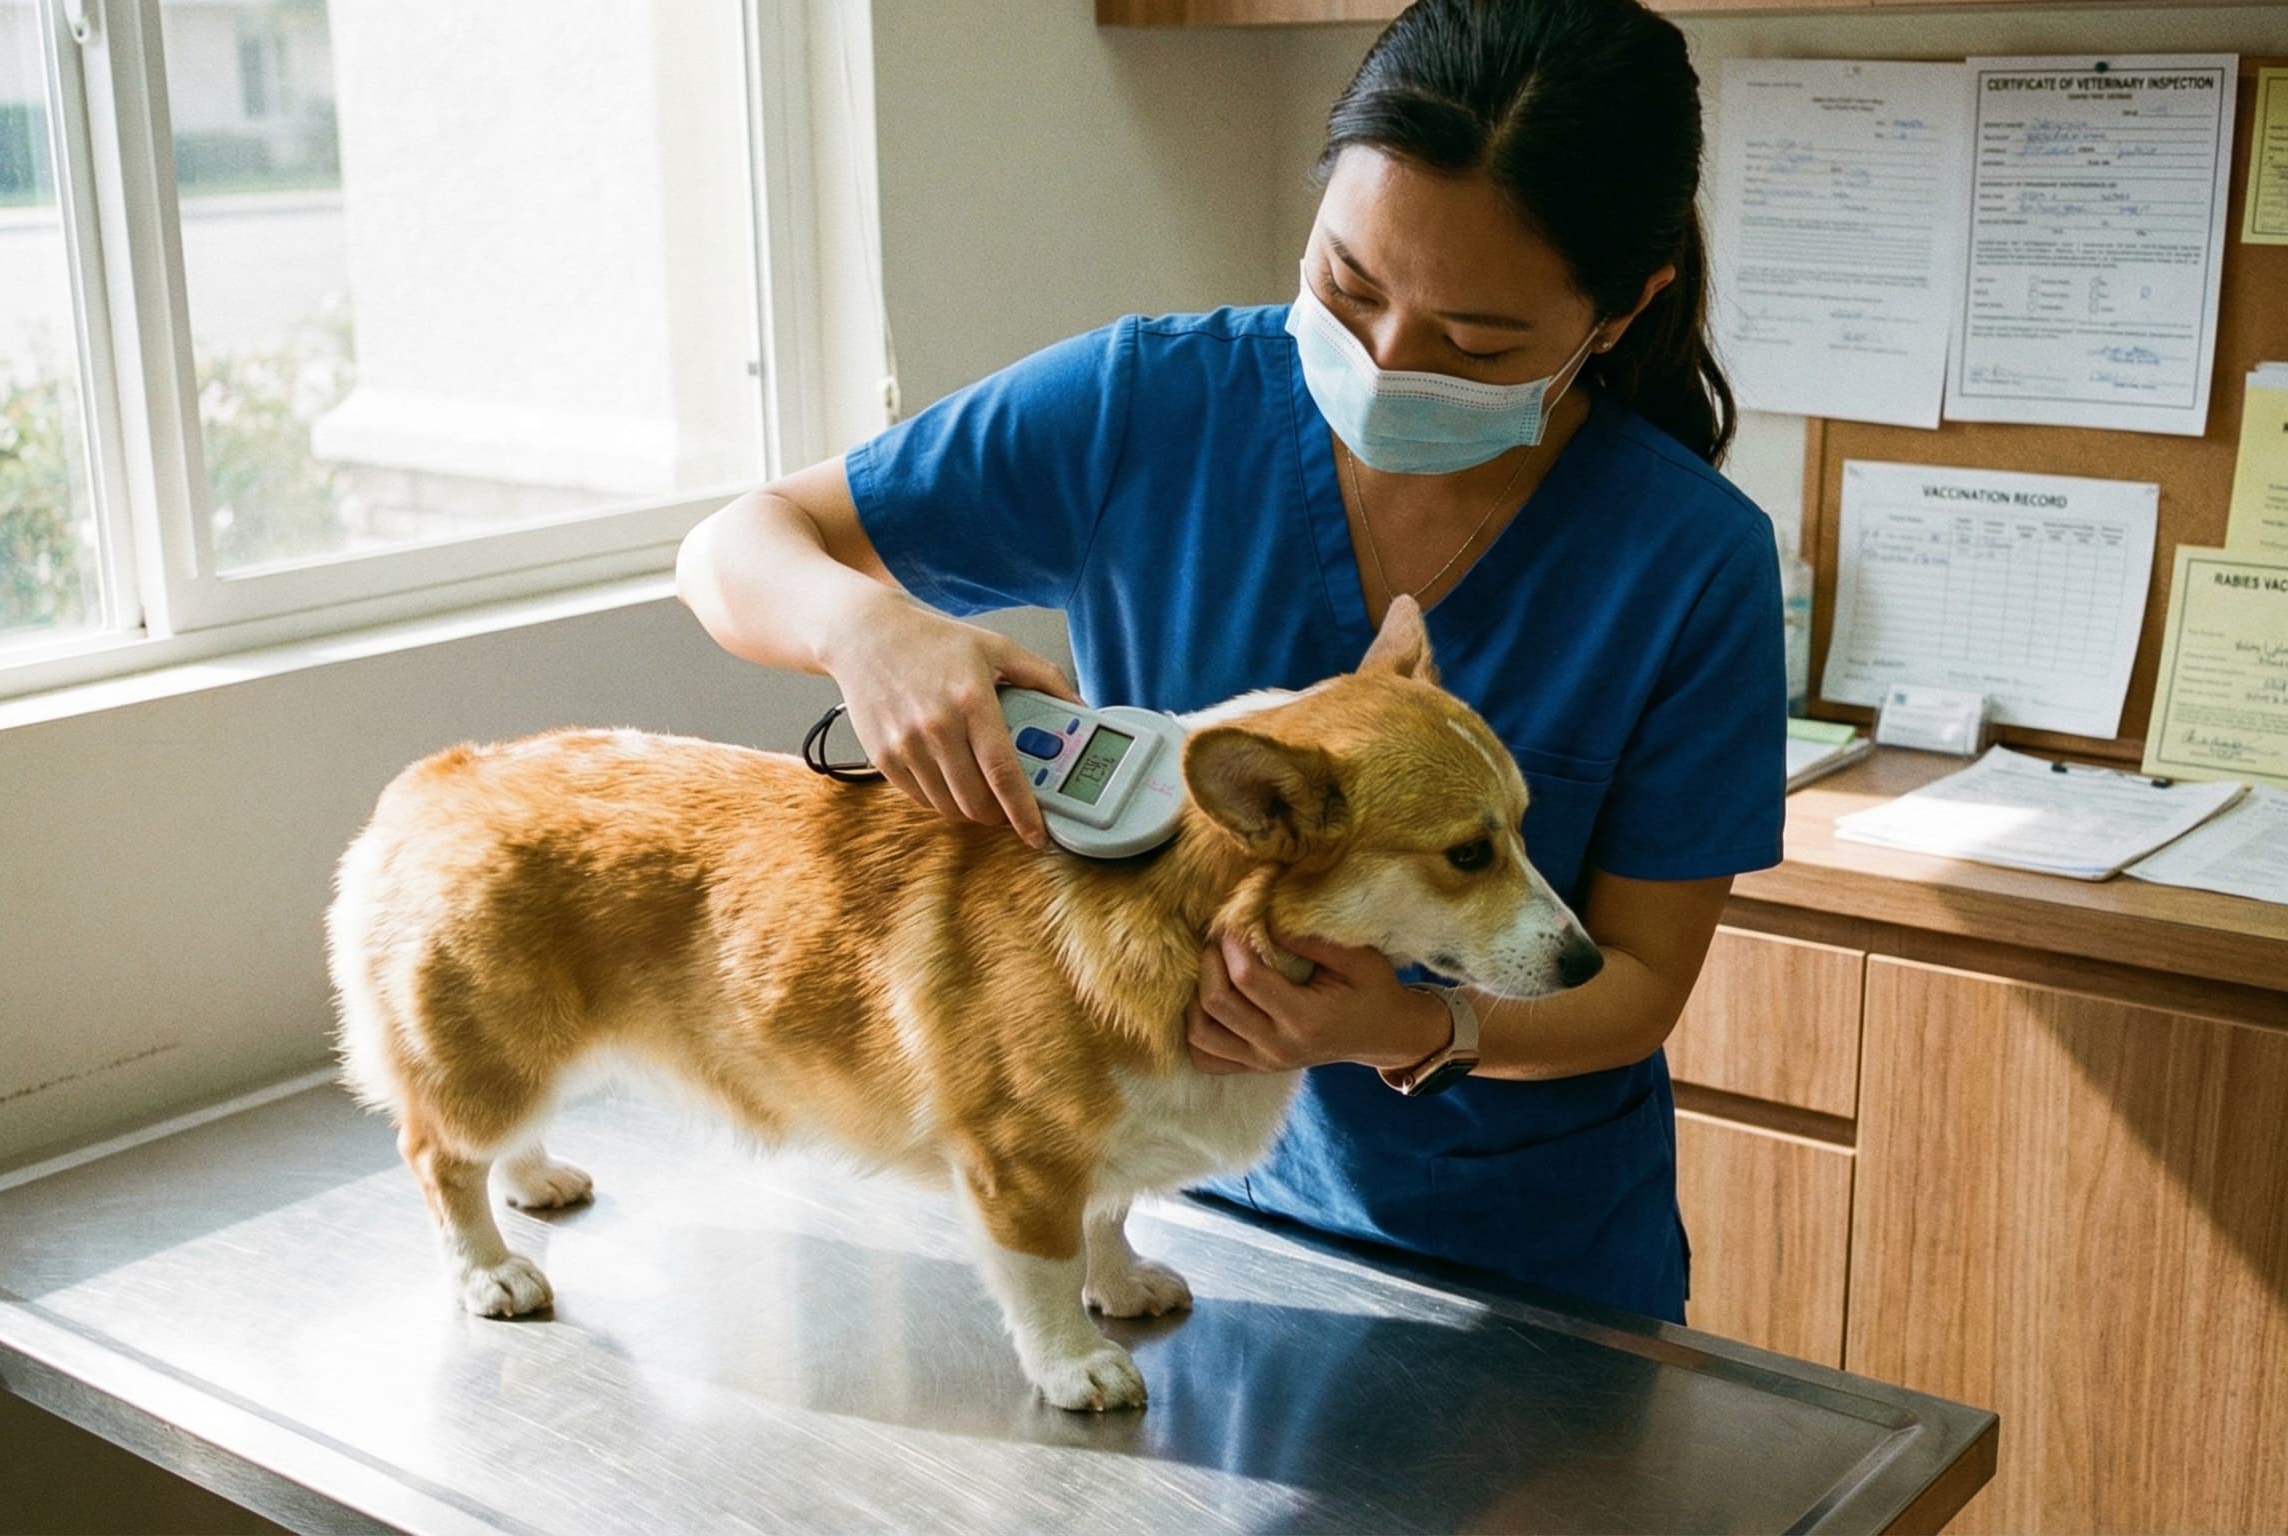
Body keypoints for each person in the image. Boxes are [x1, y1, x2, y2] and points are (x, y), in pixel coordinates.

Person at [676, 0, 1782, 1324]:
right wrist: (863, 626)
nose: (1382, 363)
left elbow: (1640, 988)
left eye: (1474, 345)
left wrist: (1412, 1029)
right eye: (1349, 284)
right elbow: (739, 547)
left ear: (1623, 310)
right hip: (1161, 1208)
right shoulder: (1152, 408)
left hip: (1516, 1264)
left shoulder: (1688, 560)